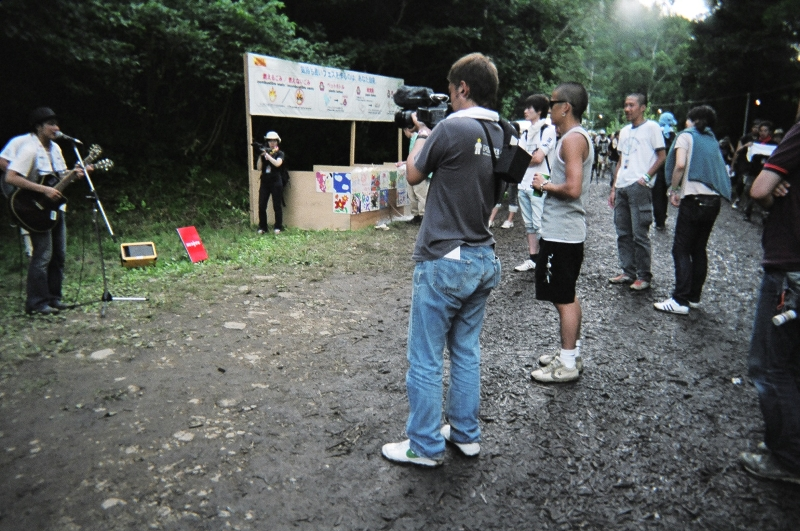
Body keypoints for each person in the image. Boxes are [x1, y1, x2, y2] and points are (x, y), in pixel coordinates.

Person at [381, 53, 502, 467]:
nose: (449, 98)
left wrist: (419, 134)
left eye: (451, 90)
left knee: (427, 356)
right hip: (483, 256)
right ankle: (466, 434)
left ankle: (425, 446)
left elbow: (414, 174)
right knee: (466, 350)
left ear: (463, 88)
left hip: (445, 260)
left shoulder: (452, 127)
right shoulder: (502, 131)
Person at [739, 114, 800, 485]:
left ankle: (788, 458)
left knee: (771, 366)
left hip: (790, 267)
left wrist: (772, 181)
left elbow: (760, 189)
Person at [529, 82, 594, 383]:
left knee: (563, 298)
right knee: (566, 294)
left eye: (552, 102)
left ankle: (567, 364)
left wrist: (544, 186)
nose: (548, 107)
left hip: (563, 234)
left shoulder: (572, 140)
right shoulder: (570, 138)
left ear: (565, 107)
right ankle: (571, 353)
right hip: (563, 232)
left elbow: (573, 188)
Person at [4, 107, 84, 315]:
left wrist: (74, 174)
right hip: (33, 208)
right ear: (39, 127)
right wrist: (44, 189)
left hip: (54, 208)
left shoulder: (56, 149)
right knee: (43, 255)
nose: (56, 128)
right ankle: (36, 303)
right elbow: (11, 177)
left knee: (59, 254)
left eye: (57, 124)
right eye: (51, 124)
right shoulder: (29, 149)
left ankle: (53, 298)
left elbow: (58, 177)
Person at [653, 105, 731, 315]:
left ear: (692, 120)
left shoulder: (686, 137)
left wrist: (673, 189)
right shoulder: (712, 140)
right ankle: (694, 297)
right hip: (713, 201)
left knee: (681, 249)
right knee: (699, 249)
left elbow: (679, 165)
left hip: (693, 198)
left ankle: (680, 299)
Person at [608, 93, 666, 291]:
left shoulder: (652, 128)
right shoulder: (624, 131)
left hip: (639, 185)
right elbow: (621, 160)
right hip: (623, 184)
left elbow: (661, 155)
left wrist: (647, 177)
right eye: (625, 105)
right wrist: (614, 187)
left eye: (631, 105)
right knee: (622, 231)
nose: (627, 109)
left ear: (642, 107)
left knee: (639, 233)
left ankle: (643, 275)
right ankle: (628, 271)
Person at [513, 94, 557, 272]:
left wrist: (521, 159)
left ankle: (548, 258)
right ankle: (533, 258)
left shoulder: (548, 130)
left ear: (539, 111)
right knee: (529, 224)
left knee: (540, 223)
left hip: (541, 181)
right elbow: (518, 156)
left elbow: (538, 157)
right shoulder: (526, 133)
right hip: (523, 182)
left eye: (529, 108)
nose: (525, 111)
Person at [1, 132, 37, 258]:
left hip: (41, 189)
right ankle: (30, 251)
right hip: (23, 188)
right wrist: (19, 176)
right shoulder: (20, 141)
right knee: (25, 214)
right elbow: (2, 160)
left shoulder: (52, 146)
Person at [742, 121, 778, 222]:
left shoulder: (774, 145)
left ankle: (760, 214)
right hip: (753, 171)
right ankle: (750, 210)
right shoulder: (755, 143)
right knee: (748, 190)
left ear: (769, 132)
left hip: (765, 173)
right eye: (761, 130)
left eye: (765, 130)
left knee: (762, 192)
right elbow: (748, 157)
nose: (763, 133)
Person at [256, 131, 286, 235]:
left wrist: (268, 156)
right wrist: (261, 156)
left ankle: (278, 226)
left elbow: (278, 163)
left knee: (277, 205)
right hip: (265, 182)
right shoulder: (264, 153)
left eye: (274, 141)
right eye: (270, 141)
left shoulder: (280, 153)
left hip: (276, 182)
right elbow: (259, 167)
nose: (272, 143)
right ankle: (262, 227)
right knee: (261, 205)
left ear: (277, 142)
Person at [653, 112, 677, 230]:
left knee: (657, 195)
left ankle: (659, 220)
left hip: (657, 168)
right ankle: (663, 217)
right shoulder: (675, 136)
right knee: (664, 195)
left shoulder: (657, 134)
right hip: (670, 169)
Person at [400, 126, 429, 224]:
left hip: (418, 171)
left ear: (407, 130)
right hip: (411, 170)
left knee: (420, 194)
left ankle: (423, 216)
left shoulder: (419, 138)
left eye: (404, 132)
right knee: (412, 195)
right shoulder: (413, 139)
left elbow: (418, 156)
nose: (405, 134)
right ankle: (415, 215)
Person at [731, 119, 761, 210]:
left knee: (750, 185)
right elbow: (738, 150)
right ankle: (738, 198)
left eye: (758, 128)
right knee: (741, 181)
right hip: (743, 162)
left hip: (755, 164)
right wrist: (732, 164)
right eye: (755, 127)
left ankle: (749, 204)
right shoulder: (745, 138)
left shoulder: (761, 140)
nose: (756, 129)